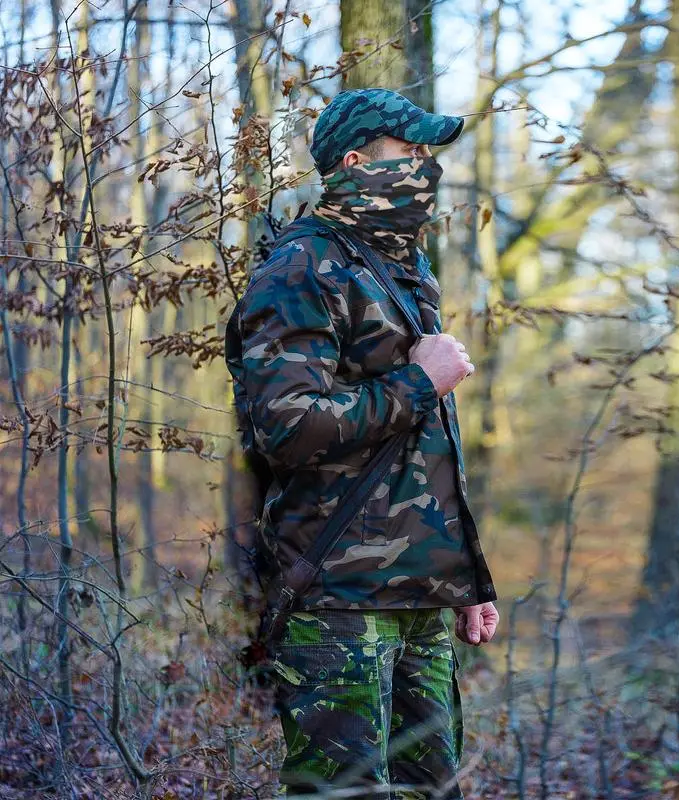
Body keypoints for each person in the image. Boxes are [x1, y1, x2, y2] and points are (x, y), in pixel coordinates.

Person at [232, 88, 499, 798]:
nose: (425, 167)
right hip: (338, 598)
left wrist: (465, 579)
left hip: (418, 595)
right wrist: (419, 381)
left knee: (430, 791)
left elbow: (425, 451)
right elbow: (288, 428)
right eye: (409, 151)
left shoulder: (407, 270)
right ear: (355, 163)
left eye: (428, 154)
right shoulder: (303, 266)